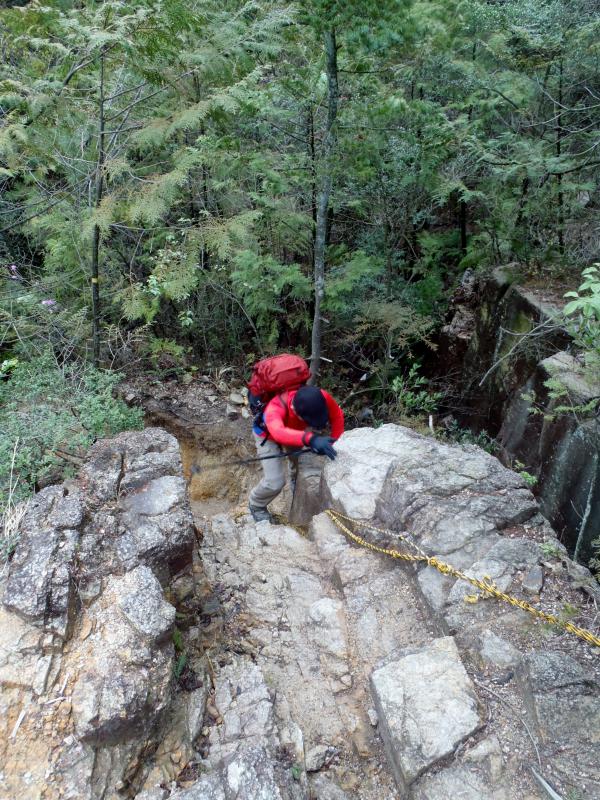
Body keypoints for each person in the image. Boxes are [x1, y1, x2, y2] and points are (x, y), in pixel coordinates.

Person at [248, 384, 344, 522]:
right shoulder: (275, 407)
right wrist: (311, 439)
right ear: (294, 410)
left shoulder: (319, 396)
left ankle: (295, 481)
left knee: (297, 461)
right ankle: (256, 504)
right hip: (266, 436)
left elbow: (337, 416)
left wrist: (334, 443)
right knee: (275, 482)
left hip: (296, 432)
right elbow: (278, 432)